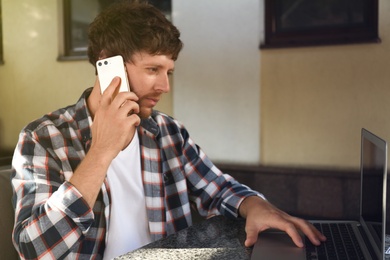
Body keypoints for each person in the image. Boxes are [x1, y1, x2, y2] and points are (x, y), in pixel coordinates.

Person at [11, 1, 326, 259]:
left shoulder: (168, 132)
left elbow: (218, 188)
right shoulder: (43, 138)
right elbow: (34, 249)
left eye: (169, 72)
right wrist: (102, 150)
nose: (164, 86)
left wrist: (255, 206)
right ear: (109, 65)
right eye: (152, 69)